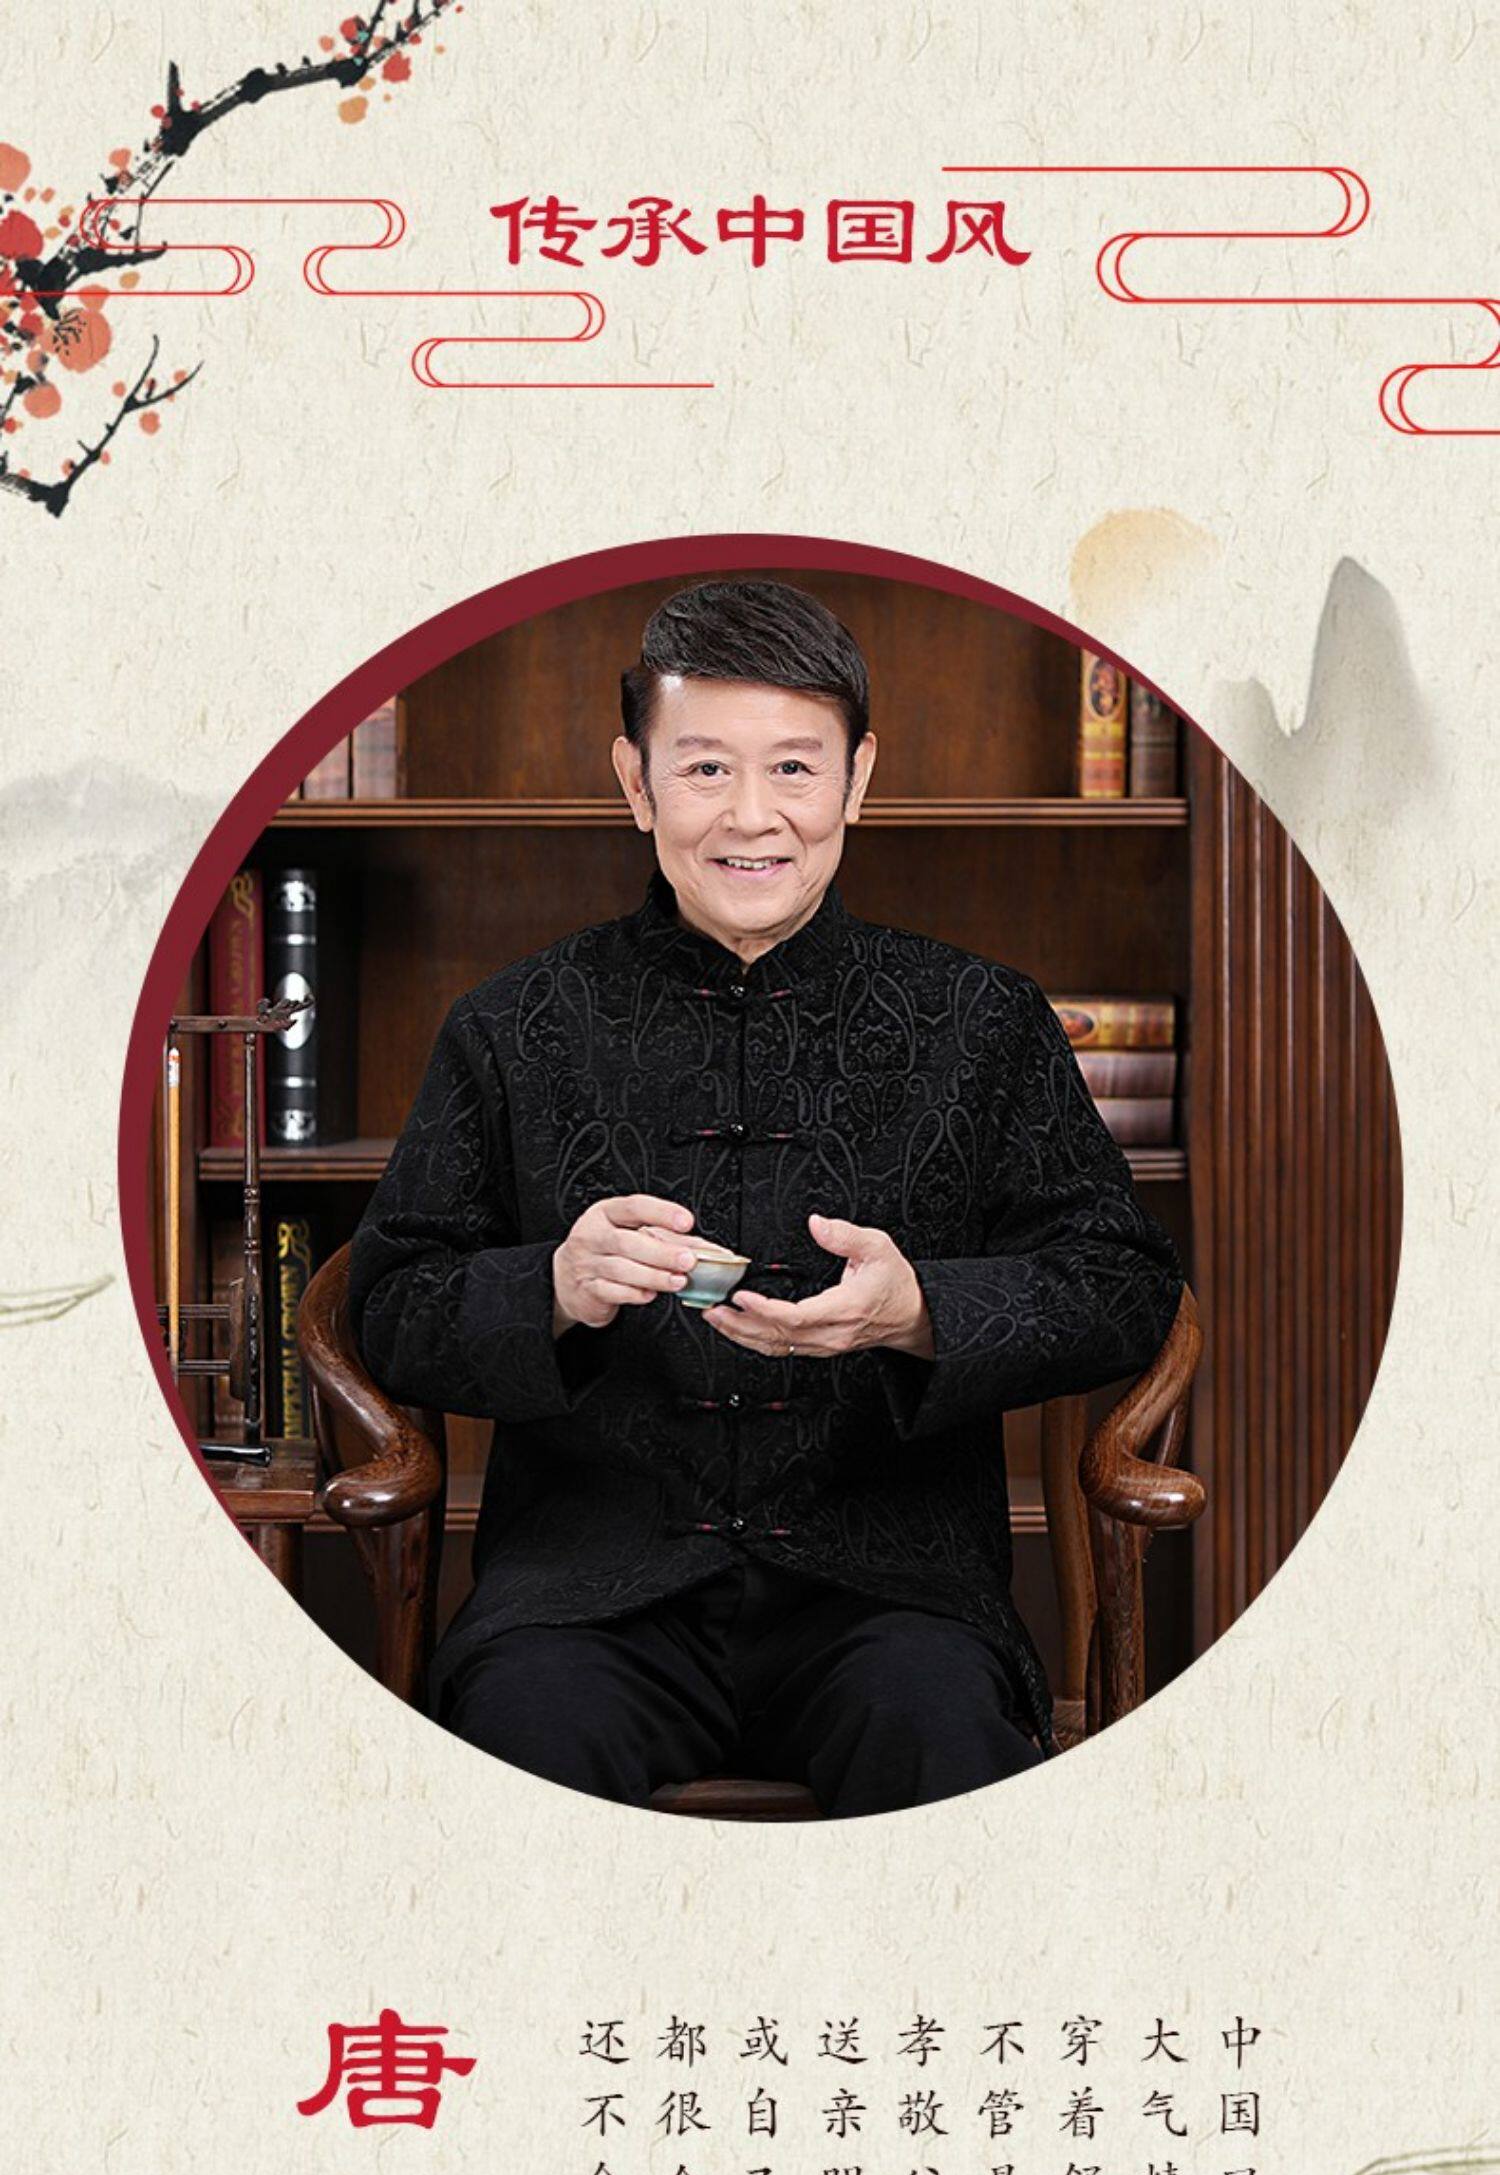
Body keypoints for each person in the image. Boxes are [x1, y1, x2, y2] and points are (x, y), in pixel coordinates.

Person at [346, 579, 1185, 1817]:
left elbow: (1121, 1284)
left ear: (858, 780)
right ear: (636, 783)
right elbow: (391, 1306)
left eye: (795, 768)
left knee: (942, 1742)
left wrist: (921, 1312)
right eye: (704, 770)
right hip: (587, 1599)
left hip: (892, 1595)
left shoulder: (983, 1019)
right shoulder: (513, 1025)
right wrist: (554, 1288)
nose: (752, 816)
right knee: (520, 1750)